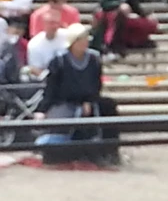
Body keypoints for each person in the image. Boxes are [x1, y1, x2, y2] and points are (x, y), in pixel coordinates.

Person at [34, 23, 120, 165]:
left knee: (108, 106)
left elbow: (96, 84)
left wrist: (89, 100)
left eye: (86, 39)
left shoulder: (93, 59)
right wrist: (42, 109)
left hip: (87, 100)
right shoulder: (59, 61)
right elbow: (51, 88)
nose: (85, 42)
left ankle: (108, 151)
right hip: (64, 101)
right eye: (81, 39)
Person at [27, 10, 68, 76]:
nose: (54, 26)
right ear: (44, 24)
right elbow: (36, 69)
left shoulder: (68, 36)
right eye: (51, 23)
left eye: (56, 23)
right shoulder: (35, 44)